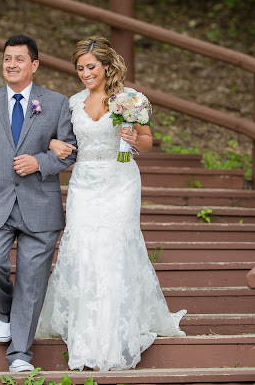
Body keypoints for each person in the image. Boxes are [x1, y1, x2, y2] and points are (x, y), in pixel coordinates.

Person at [35, 35, 186, 371]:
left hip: (120, 180)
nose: (85, 73)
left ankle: (115, 334)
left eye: (90, 66)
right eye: (79, 68)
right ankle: (86, 330)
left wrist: (134, 138)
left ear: (106, 66)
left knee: (115, 247)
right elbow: (63, 141)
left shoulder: (130, 99)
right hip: (84, 183)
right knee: (83, 247)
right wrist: (54, 144)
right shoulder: (72, 103)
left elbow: (147, 142)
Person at [0, 34, 77, 372]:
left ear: (34, 65)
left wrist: (40, 162)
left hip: (40, 206)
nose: (12, 64)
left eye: (19, 59)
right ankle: (5, 310)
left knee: (32, 281)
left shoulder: (56, 103)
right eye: (7, 58)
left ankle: (20, 354)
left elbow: (70, 152)